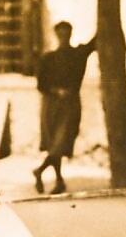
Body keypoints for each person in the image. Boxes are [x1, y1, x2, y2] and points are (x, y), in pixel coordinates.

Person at [33, 21, 97, 195]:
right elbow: (40, 84)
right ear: (56, 36)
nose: (63, 38)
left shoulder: (77, 54)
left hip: (70, 104)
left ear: (70, 34)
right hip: (51, 104)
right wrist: (56, 91)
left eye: (66, 34)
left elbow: (95, 42)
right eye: (60, 34)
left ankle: (40, 170)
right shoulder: (48, 58)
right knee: (55, 143)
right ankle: (59, 180)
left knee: (62, 140)